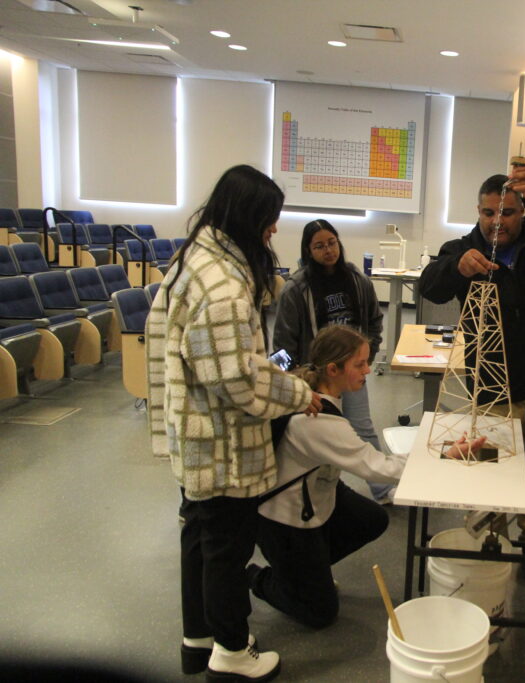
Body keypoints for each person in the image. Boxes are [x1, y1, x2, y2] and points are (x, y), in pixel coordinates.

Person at [146, 164, 321, 682]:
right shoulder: (222, 285)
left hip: (195, 431)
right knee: (227, 548)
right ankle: (231, 652)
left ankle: (198, 639)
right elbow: (239, 380)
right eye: (269, 220)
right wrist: (299, 393)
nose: (273, 230)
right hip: (221, 442)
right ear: (248, 217)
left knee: (200, 537)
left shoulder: (193, 258)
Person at [246, 325, 484, 628]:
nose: (368, 370)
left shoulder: (323, 397)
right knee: (320, 613)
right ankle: (261, 578)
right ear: (333, 370)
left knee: (372, 519)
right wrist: (444, 456)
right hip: (284, 519)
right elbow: (378, 466)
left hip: (315, 496)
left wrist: (441, 452)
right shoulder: (317, 421)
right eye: (359, 365)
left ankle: (306, 573)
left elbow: (373, 460)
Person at [418, 163, 525, 582]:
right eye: (489, 212)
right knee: (490, 466)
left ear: (522, 211)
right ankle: (490, 541)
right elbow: (429, 284)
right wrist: (456, 268)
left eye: (508, 212)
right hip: (490, 384)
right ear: (478, 211)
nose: (497, 221)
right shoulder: (462, 250)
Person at [272, 219, 394, 505]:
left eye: (332, 243)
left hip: (349, 372)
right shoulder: (296, 289)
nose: (328, 250)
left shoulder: (357, 280)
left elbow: (374, 321)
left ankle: (382, 489)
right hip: (316, 378)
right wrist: (295, 383)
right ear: (308, 250)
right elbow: (283, 343)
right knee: (316, 435)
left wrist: (366, 358)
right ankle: (316, 492)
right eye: (319, 246)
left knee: (363, 428)